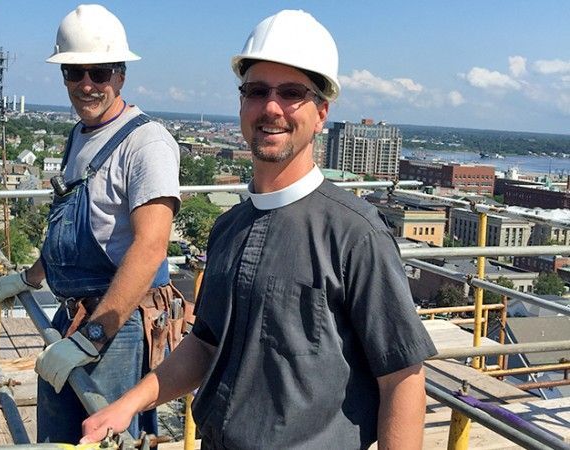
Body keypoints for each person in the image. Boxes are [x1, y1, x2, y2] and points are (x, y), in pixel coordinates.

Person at [80, 9, 438, 450]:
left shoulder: (355, 235)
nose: (271, 107)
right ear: (241, 104)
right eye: (257, 91)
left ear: (322, 112)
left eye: (292, 93)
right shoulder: (230, 227)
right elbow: (205, 345)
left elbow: (402, 377)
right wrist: (127, 405)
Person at [0, 4, 183, 444]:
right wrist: (32, 277)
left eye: (100, 71)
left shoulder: (146, 144)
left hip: (120, 321)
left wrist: (95, 335)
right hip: (76, 312)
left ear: (121, 75)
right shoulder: (79, 135)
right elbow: (71, 227)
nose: (87, 85)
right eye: (75, 73)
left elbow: (150, 248)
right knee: (59, 434)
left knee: (102, 435)